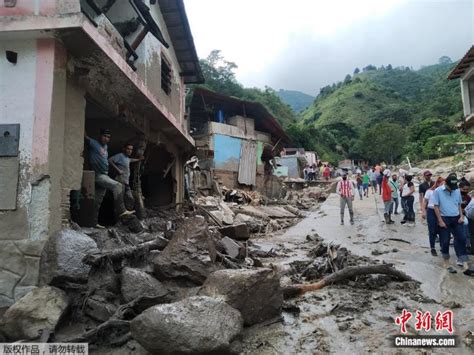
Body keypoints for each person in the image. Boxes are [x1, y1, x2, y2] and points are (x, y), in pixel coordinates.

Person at [85, 129, 133, 228]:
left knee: (97, 202)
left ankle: (92, 223)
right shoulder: (94, 143)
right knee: (117, 186)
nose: (106, 139)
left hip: (104, 175)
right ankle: (122, 210)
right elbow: (85, 137)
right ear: (100, 136)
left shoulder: (105, 146)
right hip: (98, 175)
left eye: (108, 137)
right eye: (105, 136)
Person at [433, 173, 473, 276]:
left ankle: (465, 265)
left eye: (454, 187)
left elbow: (459, 204)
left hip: (456, 218)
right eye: (451, 187)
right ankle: (447, 263)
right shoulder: (437, 191)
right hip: (444, 218)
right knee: (445, 241)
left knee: (462, 238)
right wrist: (440, 220)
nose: (452, 189)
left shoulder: (456, 191)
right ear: (446, 184)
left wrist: (461, 216)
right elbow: (436, 206)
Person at [109, 143, 143, 210]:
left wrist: (139, 159)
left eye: (131, 149)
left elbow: (131, 160)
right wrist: (118, 170)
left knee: (130, 198)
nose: (130, 151)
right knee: (119, 201)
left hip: (126, 183)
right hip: (120, 182)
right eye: (128, 149)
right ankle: (119, 218)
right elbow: (110, 160)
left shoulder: (127, 158)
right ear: (124, 149)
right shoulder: (120, 156)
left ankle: (127, 214)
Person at [421, 177, 444, 256]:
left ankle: (442, 246)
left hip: (441, 211)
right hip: (431, 211)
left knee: (442, 230)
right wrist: (423, 211)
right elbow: (425, 202)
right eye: (442, 184)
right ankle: (433, 248)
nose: (443, 186)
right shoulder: (430, 191)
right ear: (437, 183)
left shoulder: (444, 192)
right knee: (432, 230)